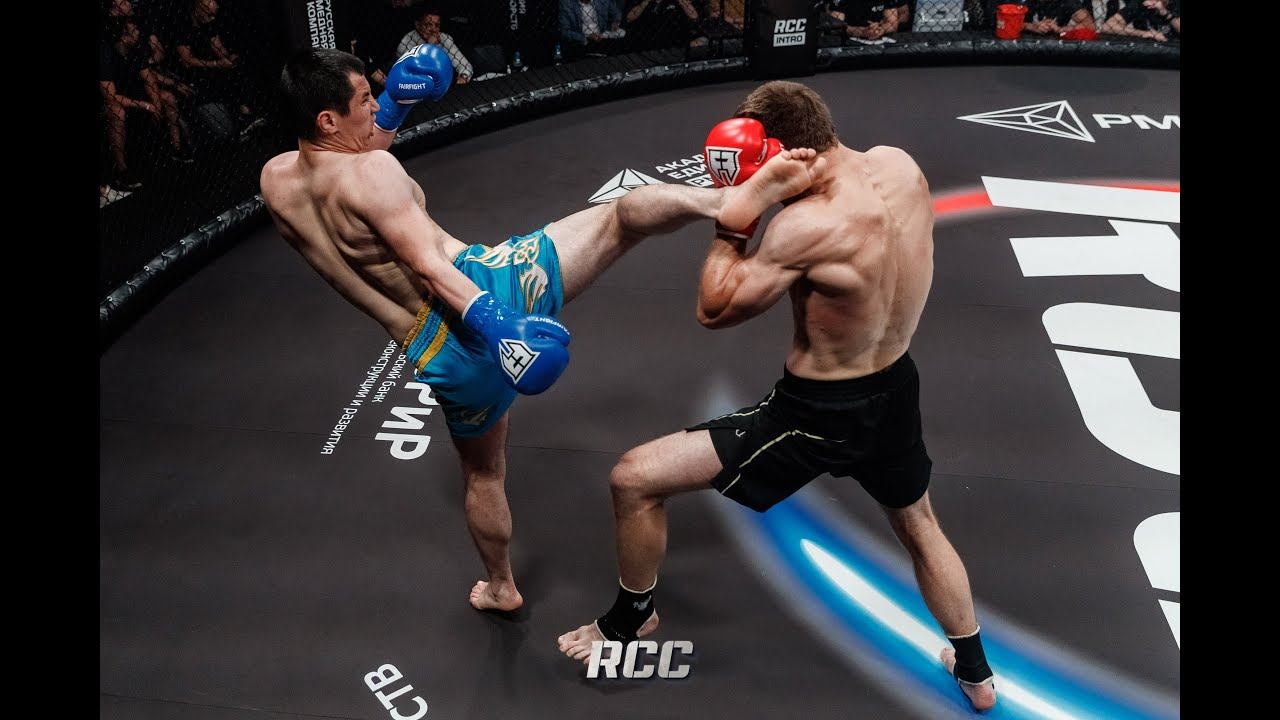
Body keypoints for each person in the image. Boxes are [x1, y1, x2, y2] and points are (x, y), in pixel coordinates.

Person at [259, 46, 787, 615]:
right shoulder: (374, 172)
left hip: (437, 355)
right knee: (621, 214)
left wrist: (392, 110)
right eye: (366, 99)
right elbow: (427, 265)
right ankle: (728, 202)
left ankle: (500, 586)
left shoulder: (277, 182)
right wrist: (500, 323)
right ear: (328, 119)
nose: (375, 104)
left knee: (483, 474)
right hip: (486, 294)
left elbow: (349, 184)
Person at [556, 80, 998, 713]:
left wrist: (742, 215)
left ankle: (631, 618)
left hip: (815, 414)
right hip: (896, 389)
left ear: (778, 150)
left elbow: (714, 309)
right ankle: (976, 674)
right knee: (918, 524)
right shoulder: (898, 165)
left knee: (634, 479)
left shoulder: (805, 225)